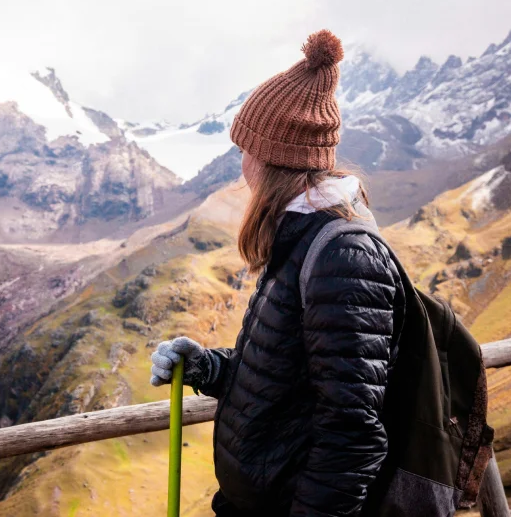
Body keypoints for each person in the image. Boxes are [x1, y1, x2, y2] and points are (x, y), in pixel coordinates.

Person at [149, 30, 405, 516]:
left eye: (247, 149)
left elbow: (353, 432)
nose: (241, 163)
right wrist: (206, 367)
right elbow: (289, 384)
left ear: (274, 160)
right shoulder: (301, 237)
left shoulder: (342, 258)